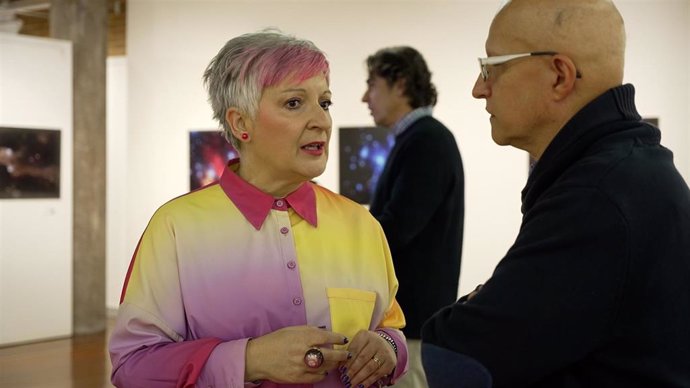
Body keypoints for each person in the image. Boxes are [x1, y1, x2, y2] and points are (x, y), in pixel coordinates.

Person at [109, 30, 409, 388]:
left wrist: (388, 348)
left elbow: (390, 329)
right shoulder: (176, 227)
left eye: (324, 103)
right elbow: (132, 366)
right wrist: (249, 360)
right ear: (241, 123)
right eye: (294, 103)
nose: (323, 121)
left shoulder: (362, 225)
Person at [422, 0, 690, 387]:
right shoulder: (626, 173)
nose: (479, 89)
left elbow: (455, 355)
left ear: (559, 76)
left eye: (491, 67)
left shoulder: (595, 198)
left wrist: (476, 301)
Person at [361, 46, 464, 388]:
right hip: (410, 322)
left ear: (400, 84)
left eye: (372, 84)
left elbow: (398, 227)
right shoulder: (420, 139)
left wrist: (341, 230)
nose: (365, 97)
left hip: (413, 324)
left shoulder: (427, 141)